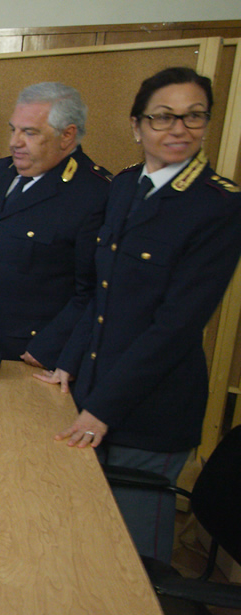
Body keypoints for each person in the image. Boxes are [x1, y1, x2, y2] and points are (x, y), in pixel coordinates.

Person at [37, 67, 241, 563]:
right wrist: (69, 361)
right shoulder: (126, 185)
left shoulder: (218, 206)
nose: (179, 129)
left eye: (194, 117)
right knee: (80, 538)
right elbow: (101, 292)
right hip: (93, 389)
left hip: (151, 410)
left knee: (132, 561)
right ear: (137, 126)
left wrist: (102, 408)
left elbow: (176, 326)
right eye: (163, 117)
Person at [0, 83, 111, 370]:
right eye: (13, 129)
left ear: (67, 136)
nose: (14, 142)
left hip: (29, 357)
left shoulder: (93, 194)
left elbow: (93, 291)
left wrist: (48, 348)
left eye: (29, 132)